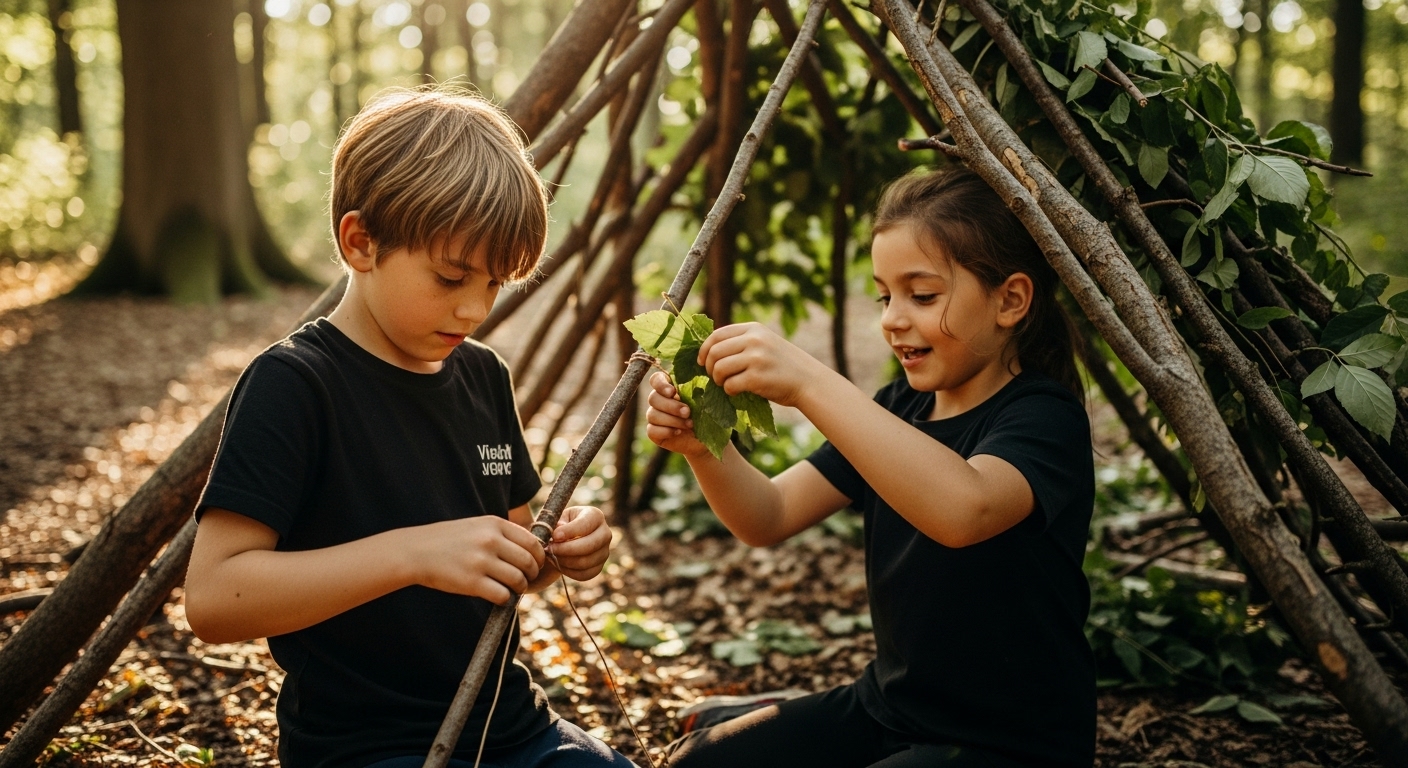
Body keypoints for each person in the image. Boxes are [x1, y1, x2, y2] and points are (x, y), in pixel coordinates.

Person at [184, 88, 636, 768]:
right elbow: (215, 600)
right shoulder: (296, 386)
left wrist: (562, 552)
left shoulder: (483, 376)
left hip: (510, 731)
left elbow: (512, 557)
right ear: (361, 242)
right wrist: (411, 555)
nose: (475, 308)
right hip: (366, 747)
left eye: (494, 284)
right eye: (452, 277)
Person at [647, 167, 1096, 767]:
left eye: (923, 295)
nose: (892, 318)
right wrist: (705, 448)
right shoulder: (898, 409)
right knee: (695, 763)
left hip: (1008, 744)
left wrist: (808, 382)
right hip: (887, 709)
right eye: (886, 296)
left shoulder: (1044, 417)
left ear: (1010, 299)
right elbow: (768, 515)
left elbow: (965, 509)